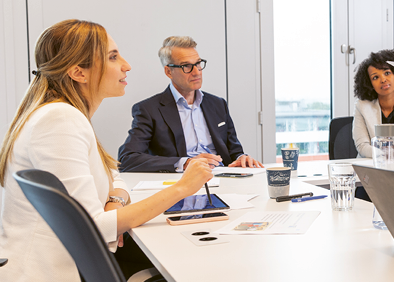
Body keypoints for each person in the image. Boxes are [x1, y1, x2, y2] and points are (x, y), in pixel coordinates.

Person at [0, 20, 213, 282]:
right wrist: (182, 188)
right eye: (113, 57)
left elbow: (113, 175)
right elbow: (96, 228)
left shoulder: (64, 113)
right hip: (50, 273)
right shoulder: (60, 119)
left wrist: (116, 202)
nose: (126, 65)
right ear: (79, 72)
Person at [118, 36, 263, 172]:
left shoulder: (218, 104)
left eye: (198, 64)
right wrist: (185, 163)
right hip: (182, 181)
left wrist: (241, 158)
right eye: (186, 66)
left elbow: (234, 151)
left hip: (222, 177)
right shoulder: (149, 109)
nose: (196, 72)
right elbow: (127, 158)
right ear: (169, 71)